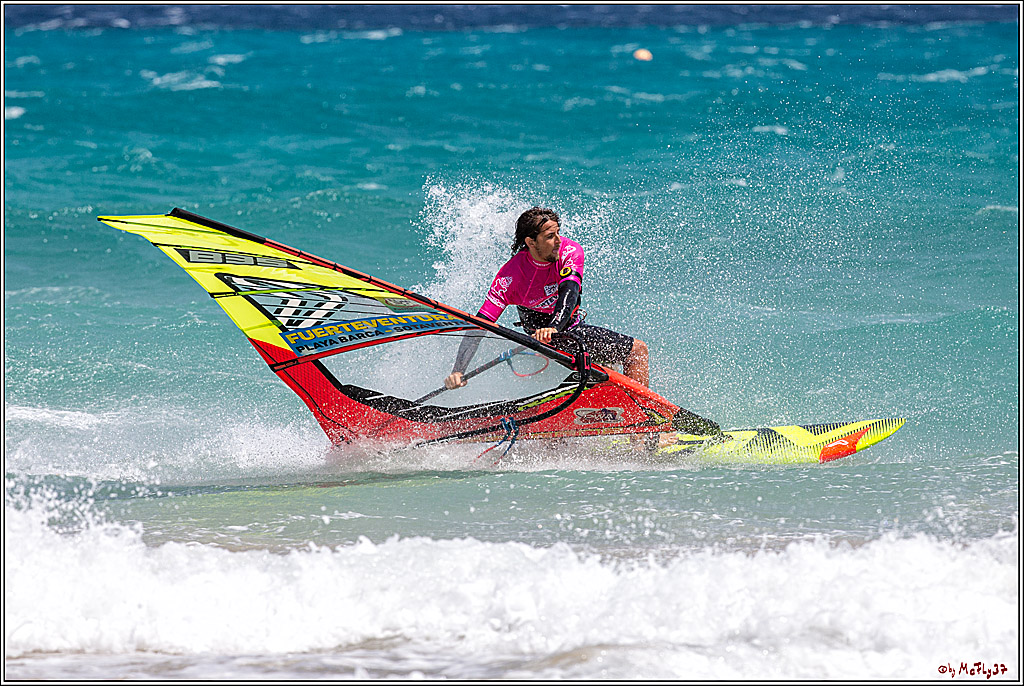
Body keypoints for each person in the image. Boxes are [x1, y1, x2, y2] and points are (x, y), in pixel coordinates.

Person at [443, 207, 649, 390]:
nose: (559, 240)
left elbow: (569, 292)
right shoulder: (510, 276)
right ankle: (645, 426)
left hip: (566, 330)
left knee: (610, 370)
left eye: (558, 233)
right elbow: (480, 325)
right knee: (637, 351)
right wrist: (458, 370)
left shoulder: (570, 251)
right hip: (540, 340)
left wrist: (554, 327)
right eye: (550, 236)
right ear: (531, 242)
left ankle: (626, 418)